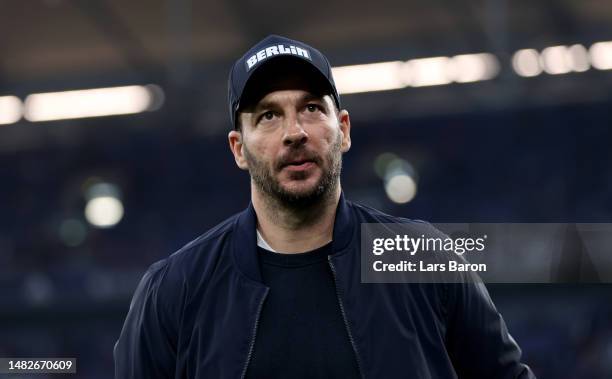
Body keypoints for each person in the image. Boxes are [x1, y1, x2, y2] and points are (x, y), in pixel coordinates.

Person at [114, 35, 535, 379]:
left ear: (344, 129)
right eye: (268, 116)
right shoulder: (175, 289)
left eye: (312, 108)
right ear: (238, 148)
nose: (294, 132)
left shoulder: (423, 258)